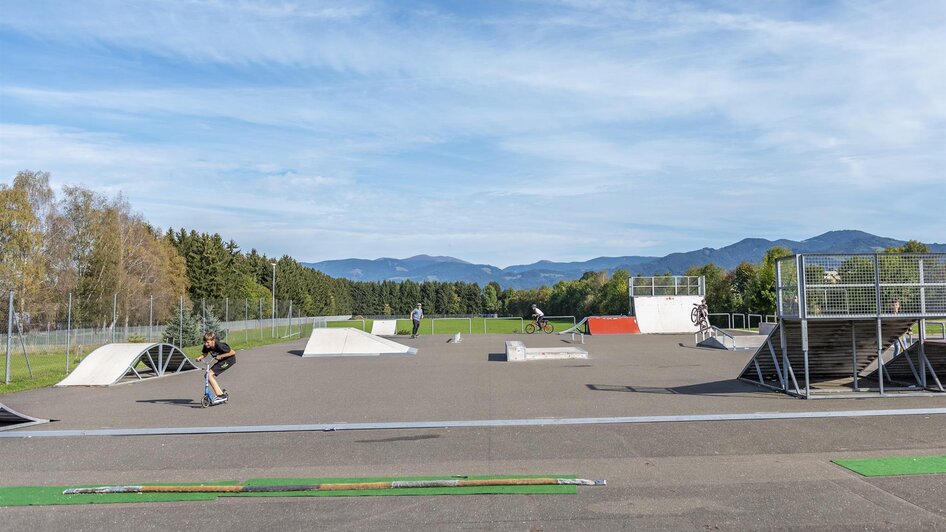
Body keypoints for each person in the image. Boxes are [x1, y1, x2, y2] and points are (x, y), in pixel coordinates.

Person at [195, 331, 236, 400]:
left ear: (213, 341)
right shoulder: (206, 346)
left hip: (228, 360)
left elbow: (232, 352)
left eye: (208, 342)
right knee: (207, 375)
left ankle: (220, 395)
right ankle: (221, 394)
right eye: (204, 342)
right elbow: (205, 354)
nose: (206, 344)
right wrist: (199, 358)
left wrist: (221, 356)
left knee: (209, 375)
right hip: (221, 361)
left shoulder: (220, 345)